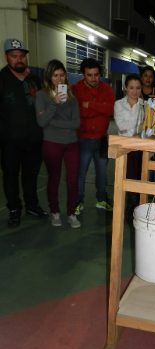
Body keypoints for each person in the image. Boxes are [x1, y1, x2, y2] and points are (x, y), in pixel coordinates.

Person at [0, 38, 48, 227]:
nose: (19, 60)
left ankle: (32, 205)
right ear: (7, 57)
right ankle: (14, 209)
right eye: (14, 56)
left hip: (34, 139)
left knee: (32, 175)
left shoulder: (34, 79)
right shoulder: (1, 80)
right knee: (10, 176)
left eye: (22, 56)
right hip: (10, 142)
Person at [35, 59, 81, 228]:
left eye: (62, 75)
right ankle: (55, 212)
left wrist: (53, 122)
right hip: (52, 143)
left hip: (72, 143)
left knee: (72, 179)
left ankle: (71, 212)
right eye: (55, 75)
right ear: (49, 77)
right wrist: (53, 105)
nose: (59, 79)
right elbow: (41, 122)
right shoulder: (41, 95)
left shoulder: (72, 97)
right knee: (54, 178)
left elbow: (76, 123)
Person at [72, 58, 115, 215]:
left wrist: (89, 105)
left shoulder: (107, 89)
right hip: (83, 139)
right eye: (89, 75)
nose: (93, 78)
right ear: (83, 74)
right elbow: (77, 112)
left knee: (102, 173)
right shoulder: (75, 89)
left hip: (103, 138)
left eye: (96, 75)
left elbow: (110, 110)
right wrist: (99, 108)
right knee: (80, 173)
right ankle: (77, 201)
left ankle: (102, 199)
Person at [114, 74, 144, 180]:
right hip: (123, 146)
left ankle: (135, 196)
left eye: (138, 88)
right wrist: (137, 133)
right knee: (123, 177)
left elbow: (145, 126)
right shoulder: (118, 104)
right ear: (125, 87)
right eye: (131, 88)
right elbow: (121, 126)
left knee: (138, 177)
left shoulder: (144, 106)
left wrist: (139, 132)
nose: (135, 91)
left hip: (139, 147)